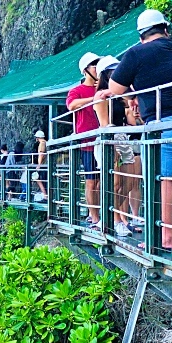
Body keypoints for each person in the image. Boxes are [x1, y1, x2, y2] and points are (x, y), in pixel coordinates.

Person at [106, 9, 172, 250]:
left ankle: (167, 237)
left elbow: (115, 88)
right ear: (165, 30)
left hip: (163, 121)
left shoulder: (136, 52)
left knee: (162, 179)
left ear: (141, 36)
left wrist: (132, 95)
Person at [93, 55, 138, 238]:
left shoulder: (120, 96)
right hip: (109, 138)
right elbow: (104, 123)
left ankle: (111, 214)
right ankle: (114, 219)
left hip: (123, 138)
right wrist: (113, 146)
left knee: (128, 182)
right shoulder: (101, 96)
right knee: (115, 182)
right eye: (112, 71)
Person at [66, 52, 102, 230]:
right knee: (91, 180)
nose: (97, 66)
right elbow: (71, 105)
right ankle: (94, 216)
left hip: (103, 139)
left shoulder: (102, 87)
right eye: (94, 64)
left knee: (105, 179)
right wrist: (93, 98)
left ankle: (102, 214)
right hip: (87, 140)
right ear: (86, 70)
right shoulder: (77, 91)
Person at [33, 130, 48, 202]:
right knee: (45, 180)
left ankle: (45, 195)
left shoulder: (42, 144)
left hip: (43, 164)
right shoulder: (46, 143)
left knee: (37, 178)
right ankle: (46, 195)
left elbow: (41, 154)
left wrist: (39, 165)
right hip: (46, 164)